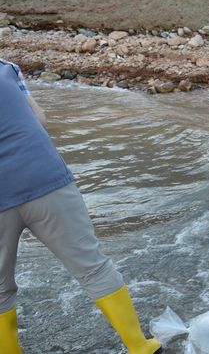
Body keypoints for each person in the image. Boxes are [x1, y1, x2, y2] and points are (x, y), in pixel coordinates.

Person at [0, 59, 161, 353]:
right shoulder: (6, 68)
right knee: (93, 267)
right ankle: (140, 346)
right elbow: (39, 119)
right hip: (46, 178)